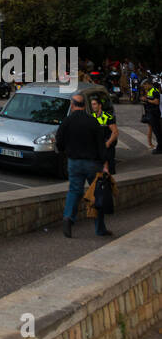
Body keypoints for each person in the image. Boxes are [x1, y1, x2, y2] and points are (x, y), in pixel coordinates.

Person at [56, 93, 111, 237]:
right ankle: (100, 229)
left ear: (73, 105)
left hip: (74, 162)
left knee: (74, 191)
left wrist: (66, 151)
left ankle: (68, 218)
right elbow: (101, 145)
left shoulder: (67, 121)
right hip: (92, 163)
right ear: (85, 106)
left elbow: (59, 142)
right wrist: (105, 164)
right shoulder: (92, 122)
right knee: (96, 194)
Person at [90, 95, 118, 175]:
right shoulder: (92, 117)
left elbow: (115, 132)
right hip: (97, 148)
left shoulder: (107, 117)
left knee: (110, 170)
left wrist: (107, 143)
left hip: (107, 147)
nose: (93, 106)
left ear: (100, 105)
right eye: (92, 104)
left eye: (95, 104)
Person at [141, 76, 162, 154]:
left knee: (157, 131)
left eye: (145, 85)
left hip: (155, 114)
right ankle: (159, 146)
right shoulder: (150, 91)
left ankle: (160, 148)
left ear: (148, 84)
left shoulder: (155, 91)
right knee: (155, 131)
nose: (144, 87)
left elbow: (156, 102)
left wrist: (147, 100)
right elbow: (150, 100)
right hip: (151, 113)